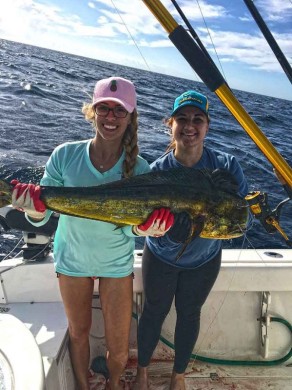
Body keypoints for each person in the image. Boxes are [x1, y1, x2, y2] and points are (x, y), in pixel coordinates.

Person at [11, 76, 174, 390]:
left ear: (130, 117)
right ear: (92, 112)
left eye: (119, 110)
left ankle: (114, 384)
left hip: (115, 264)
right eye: (104, 109)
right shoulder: (64, 156)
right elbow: (41, 214)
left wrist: (144, 228)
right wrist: (30, 209)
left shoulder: (141, 170)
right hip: (72, 259)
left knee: (120, 345)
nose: (111, 117)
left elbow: (134, 225)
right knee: (78, 332)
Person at [134, 90, 249, 390]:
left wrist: (236, 200)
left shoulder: (227, 165)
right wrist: (169, 236)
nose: (189, 125)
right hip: (160, 257)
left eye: (197, 119)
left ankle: (178, 376)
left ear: (207, 126)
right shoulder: (156, 171)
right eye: (182, 119)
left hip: (203, 260)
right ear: (170, 125)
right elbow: (145, 227)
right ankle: (142, 373)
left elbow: (242, 218)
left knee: (189, 314)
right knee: (153, 313)